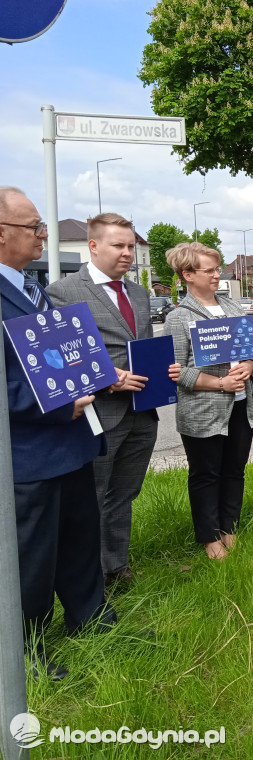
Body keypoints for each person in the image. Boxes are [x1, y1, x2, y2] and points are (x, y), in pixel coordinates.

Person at [0, 186, 116, 680]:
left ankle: (91, 617)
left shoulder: (34, 289)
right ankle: (27, 650)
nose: (43, 235)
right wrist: (57, 407)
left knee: (78, 537)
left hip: (71, 445)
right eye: (34, 228)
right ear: (2, 234)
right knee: (32, 557)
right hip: (29, 455)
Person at [47, 213, 178, 591]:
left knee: (125, 493)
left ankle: (116, 566)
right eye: (118, 245)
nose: (127, 254)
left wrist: (163, 369)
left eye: (131, 246)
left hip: (142, 412)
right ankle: (87, 579)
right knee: (93, 497)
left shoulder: (138, 294)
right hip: (99, 413)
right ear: (93, 246)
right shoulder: (64, 292)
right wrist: (108, 379)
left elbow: (140, 348)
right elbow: (61, 357)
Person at [164, 242, 253, 560]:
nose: (217, 276)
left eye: (218, 269)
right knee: (206, 473)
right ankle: (209, 536)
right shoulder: (178, 319)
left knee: (235, 469)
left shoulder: (234, 308)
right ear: (187, 275)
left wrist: (250, 365)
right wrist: (220, 382)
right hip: (203, 410)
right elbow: (176, 372)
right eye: (210, 270)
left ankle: (229, 527)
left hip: (241, 403)